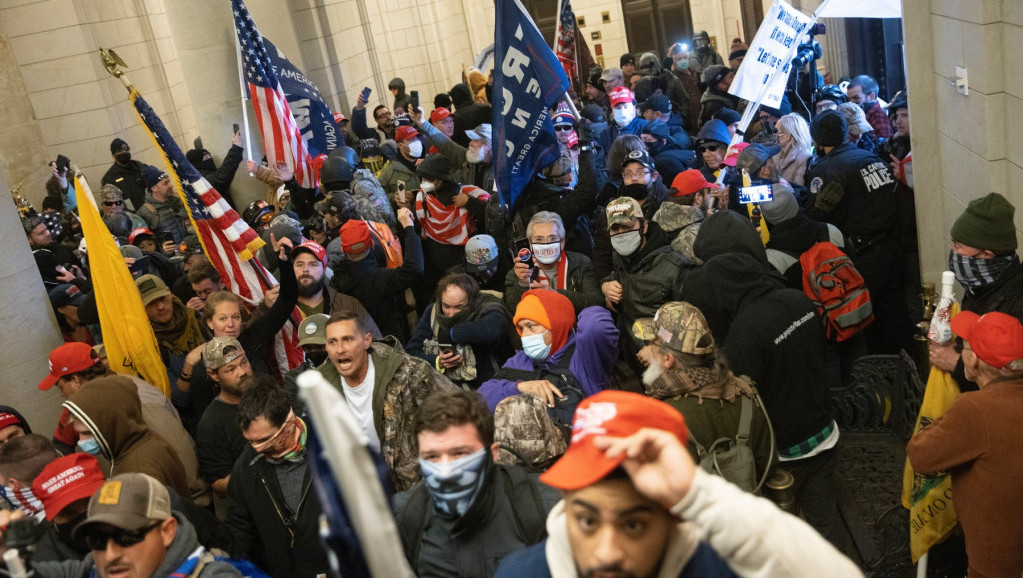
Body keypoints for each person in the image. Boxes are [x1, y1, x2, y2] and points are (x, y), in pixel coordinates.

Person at [492, 391, 861, 578]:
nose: (605, 553)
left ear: (673, 518)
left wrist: (700, 496)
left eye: (633, 525)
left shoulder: (719, 565)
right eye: (587, 521)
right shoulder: (522, 574)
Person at [680, 212, 843, 548]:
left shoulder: (744, 332)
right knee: (827, 527)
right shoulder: (797, 299)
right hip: (825, 435)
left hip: (785, 455)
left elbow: (742, 402)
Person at [393, 390, 561, 577]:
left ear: (493, 454)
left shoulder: (544, 506)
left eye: (460, 453)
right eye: (432, 456)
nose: (446, 471)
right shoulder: (408, 515)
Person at [907, 311, 1023, 578]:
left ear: (976, 361)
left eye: (965, 346)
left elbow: (920, 455)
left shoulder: (974, 410)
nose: (960, 350)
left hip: (993, 564)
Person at [38, 342, 209, 506]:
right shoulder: (98, 403)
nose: (62, 394)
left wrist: (199, 505)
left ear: (75, 380)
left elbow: (182, 456)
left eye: (60, 387)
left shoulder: (139, 400)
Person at [633, 302, 776, 488]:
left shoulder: (662, 417)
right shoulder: (744, 393)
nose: (647, 349)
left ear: (668, 359)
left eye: (652, 343)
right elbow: (767, 466)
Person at [806, 109, 909, 354]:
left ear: (818, 140)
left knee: (868, 332)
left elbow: (814, 218)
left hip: (861, 260)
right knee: (896, 319)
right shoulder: (871, 158)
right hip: (893, 250)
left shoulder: (826, 169)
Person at [317, 311, 458, 491]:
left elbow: (460, 410)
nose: (340, 349)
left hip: (419, 489)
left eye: (348, 339)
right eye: (332, 342)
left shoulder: (410, 372)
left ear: (367, 341)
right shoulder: (320, 387)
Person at [23, 472, 245, 577]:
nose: (110, 555)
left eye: (126, 537)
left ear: (167, 531)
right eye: (98, 540)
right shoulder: (92, 568)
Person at [224, 376, 328, 577]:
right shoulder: (247, 466)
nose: (257, 449)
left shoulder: (334, 447)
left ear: (289, 424)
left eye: (264, 440)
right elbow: (241, 532)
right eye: (251, 441)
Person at [929, 193, 1023, 391]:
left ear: (986, 255)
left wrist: (956, 364)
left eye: (959, 246)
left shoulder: (1017, 303)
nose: (953, 252)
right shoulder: (981, 284)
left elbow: (1012, 384)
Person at [479, 290, 618, 412]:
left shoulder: (584, 353)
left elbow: (595, 325)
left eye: (531, 326)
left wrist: (564, 308)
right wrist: (519, 387)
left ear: (555, 325)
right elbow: (482, 399)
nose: (525, 335)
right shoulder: (521, 360)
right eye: (521, 328)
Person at [62, 375, 191, 499]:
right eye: (79, 433)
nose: (81, 441)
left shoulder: (140, 471)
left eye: (87, 433)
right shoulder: (138, 445)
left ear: (111, 425)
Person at [602, 196, 689, 374]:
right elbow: (617, 278)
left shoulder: (675, 266)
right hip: (636, 356)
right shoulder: (620, 258)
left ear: (645, 226)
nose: (621, 233)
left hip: (671, 364)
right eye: (615, 228)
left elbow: (688, 323)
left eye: (627, 226)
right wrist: (605, 286)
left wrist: (658, 347)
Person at [407, 274, 513, 390]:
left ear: (471, 301)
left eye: (459, 307)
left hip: (490, 387)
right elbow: (412, 351)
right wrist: (438, 361)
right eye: (446, 306)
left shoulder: (487, 307)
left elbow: (493, 329)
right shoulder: (433, 312)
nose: (451, 314)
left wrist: (452, 334)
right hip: (449, 392)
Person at [332, 208, 423, 343]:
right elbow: (414, 269)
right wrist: (408, 227)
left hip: (357, 343)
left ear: (342, 250)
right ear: (373, 244)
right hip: (390, 344)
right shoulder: (383, 279)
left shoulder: (337, 281)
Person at [194, 337, 256, 501]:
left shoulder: (265, 391)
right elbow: (218, 485)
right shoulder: (211, 424)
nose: (242, 372)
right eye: (231, 369)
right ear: (214, 375)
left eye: (244, 362)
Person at [503, 212, 603, 314]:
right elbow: (513, 312)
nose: (546, 245)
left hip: (575, 326)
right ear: (530, 244)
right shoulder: (518, 272)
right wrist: (523, 284)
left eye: (552, 239)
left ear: (562, 242)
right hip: (537, 328)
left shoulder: (581, 263)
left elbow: (596, 302)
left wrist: (557, 296)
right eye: (539, 239)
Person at [30, 452, 106, 560]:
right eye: (68, 513)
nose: (85, 518)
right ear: (53, 523)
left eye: (92, 503)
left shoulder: (135, 528)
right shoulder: (45, 567)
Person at [136, 165, 190, 246]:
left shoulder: (179, 201)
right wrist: (163, 251)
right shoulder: (145, 213)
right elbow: (147, 246)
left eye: (169, 181)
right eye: (165, 183)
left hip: (190, 250)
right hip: (169, 257)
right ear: (154, 188)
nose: (171, 185)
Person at [101, 138, 152, 211]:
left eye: (127, 149)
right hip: (133, 217)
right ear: (113, 155)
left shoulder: (139, 166)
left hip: (151, 210)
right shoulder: (109, 178)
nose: (124, 152)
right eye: (120, 151)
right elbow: (111, 205)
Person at [666, 42, 702, 134]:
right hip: (688, 122)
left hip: (701, 118)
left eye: (685, 58)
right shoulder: (673, 79)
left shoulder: (695, 74)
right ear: (673, 61)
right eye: (679, 59)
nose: (683, 60)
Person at [772, 113, 814, 189]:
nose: (774, 134)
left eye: (776, 131)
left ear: (787, 136)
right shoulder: (776, 153)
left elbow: (799, 190)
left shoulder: (805, 158)